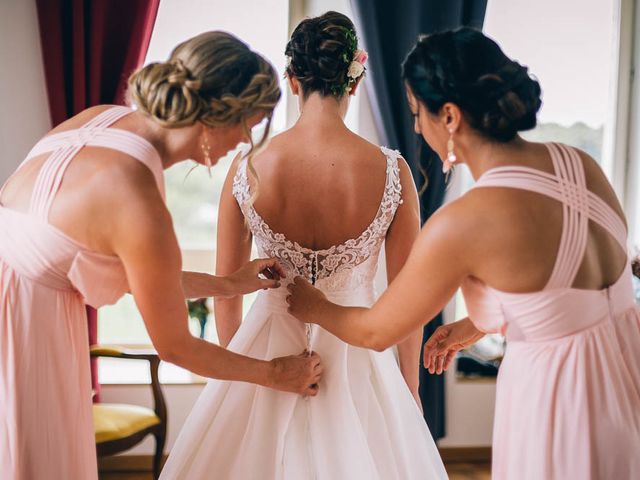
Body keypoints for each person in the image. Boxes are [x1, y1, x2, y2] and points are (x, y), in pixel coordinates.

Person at [288, 27, 640, 480]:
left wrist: (315, 306)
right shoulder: (579, 164)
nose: (415, 126)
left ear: (449, 116)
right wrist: (480, 324)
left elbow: (376, 331)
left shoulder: (463, 222)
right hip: (625, 374)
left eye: (418, 113)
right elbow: (572, 285)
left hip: (563, 398)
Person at [0, 31, 322, 480]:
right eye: (248, 125)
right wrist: (275, 373)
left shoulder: (100, 120)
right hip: (28, 335)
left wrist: (229, 285)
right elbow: (175, 346)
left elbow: (137, 272)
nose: (245, 143)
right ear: (216, 117)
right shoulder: (136, 197)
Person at [159, 12, 447, 479]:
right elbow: (407, 300)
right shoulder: (393, 173)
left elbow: (227, 289)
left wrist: (236, 378)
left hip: (265, 353)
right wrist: (409, 386)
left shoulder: (247, 167)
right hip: (361, 359)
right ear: (354, 81)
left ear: (292, 80)